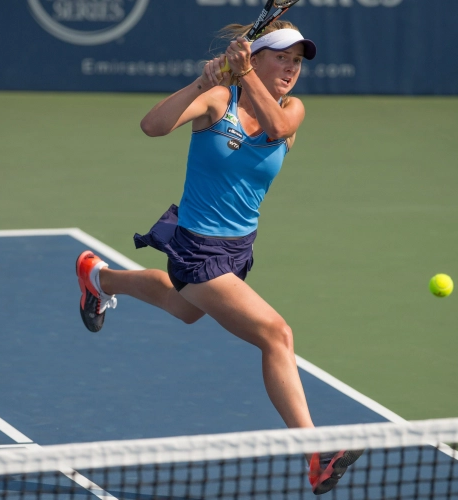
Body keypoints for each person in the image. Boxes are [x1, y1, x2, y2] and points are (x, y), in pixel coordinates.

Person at [75, 21, 362, 495]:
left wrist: (243, 71)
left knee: (185, 310)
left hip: (239, 249)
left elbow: (276, 127)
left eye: (297, 61)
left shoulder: (293, 110)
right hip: (196, 247)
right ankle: (316, 454)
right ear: (261, 56)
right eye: (282, 58)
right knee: (277, 335)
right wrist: (205, 80)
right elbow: (152, 127)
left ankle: (98, 278)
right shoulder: (218, 101)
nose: (291, 69)